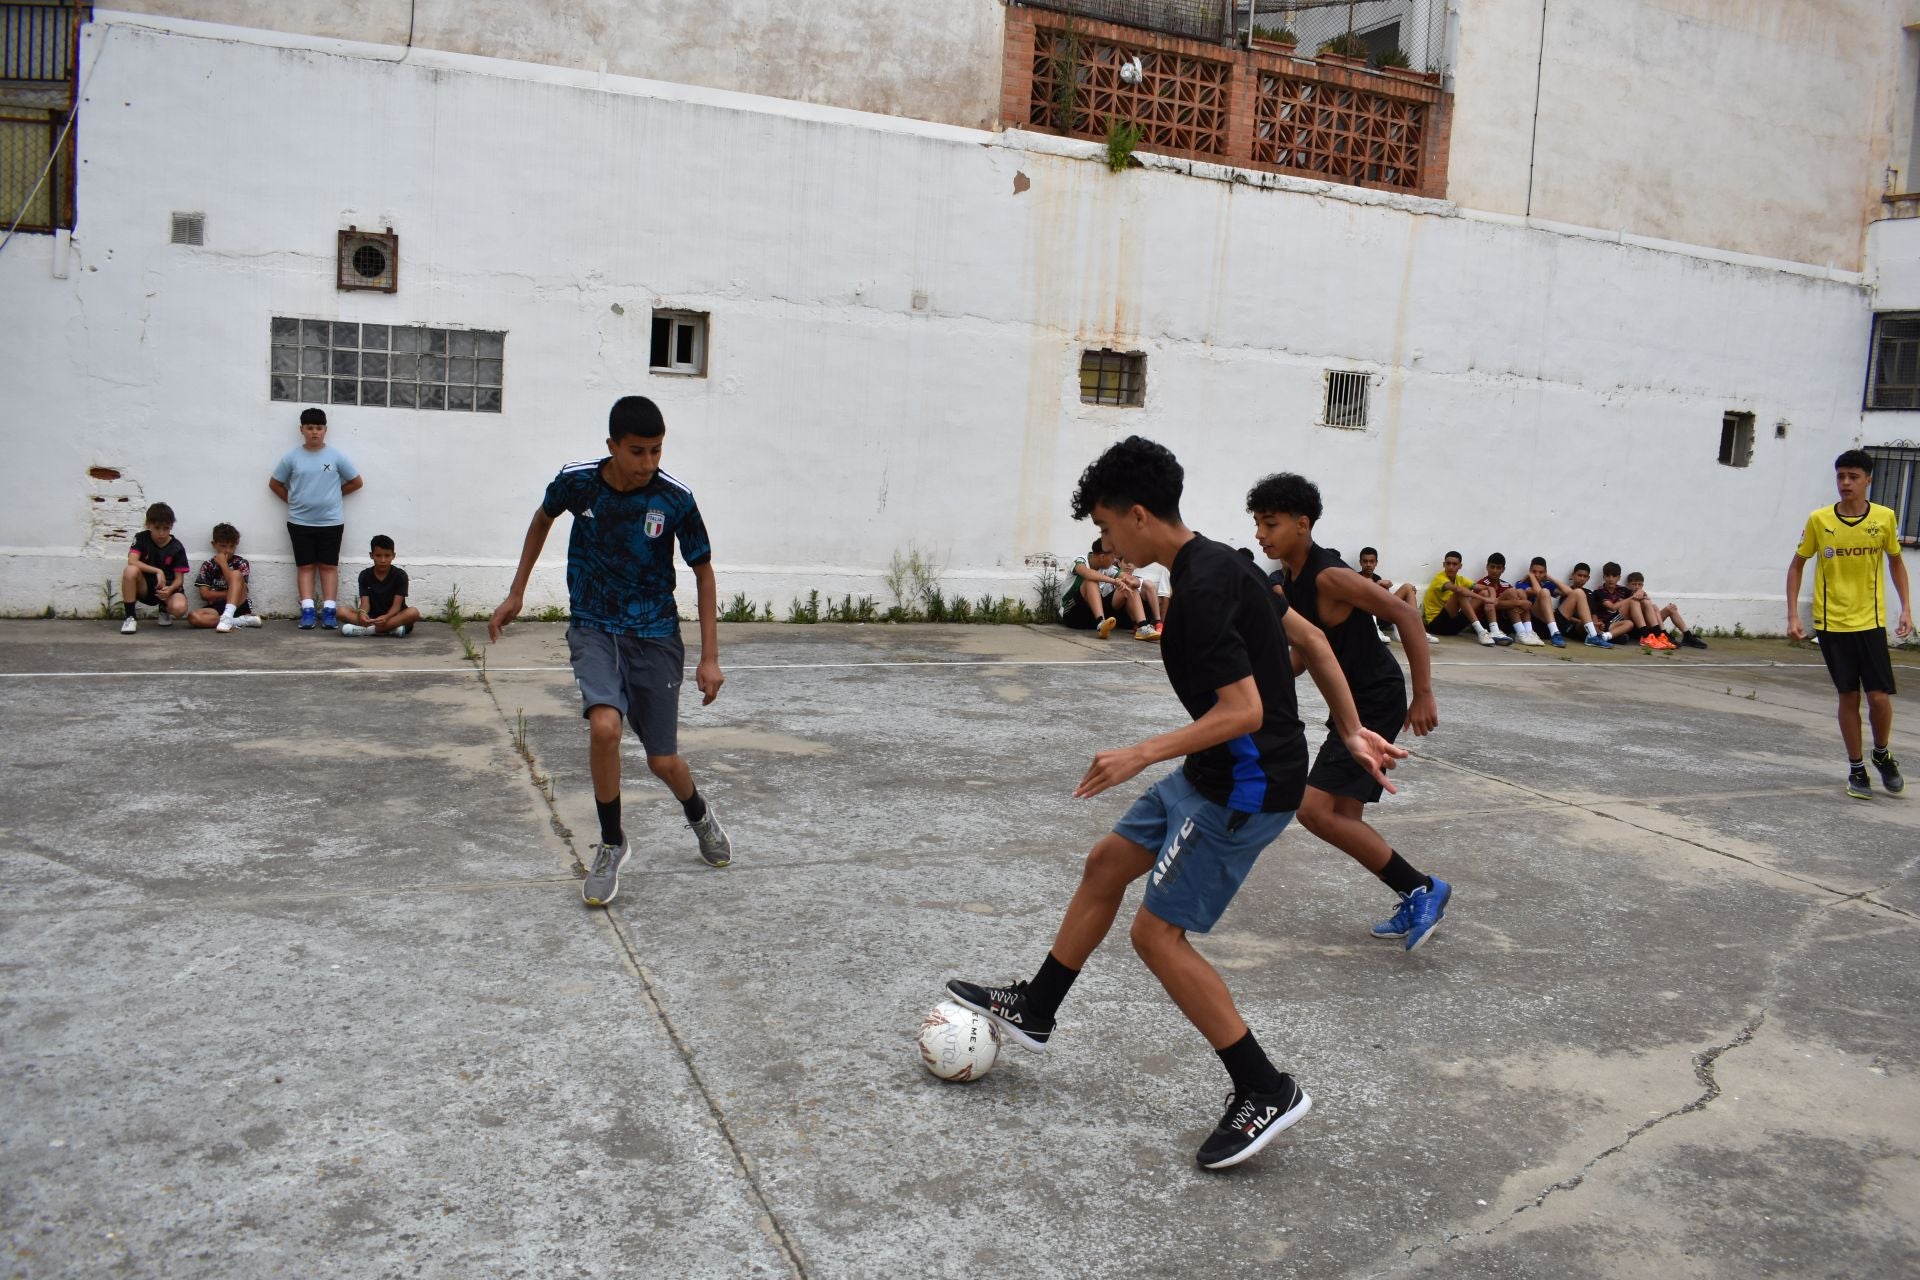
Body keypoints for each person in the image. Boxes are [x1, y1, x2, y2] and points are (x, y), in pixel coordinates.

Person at [945, 436, 1405, 1171]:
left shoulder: (1202, 591)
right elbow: (1315, 639)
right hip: (1214, 768)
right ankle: (1038, 1005)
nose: (1104, 542)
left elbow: (1245, 710)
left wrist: (1137, 753)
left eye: (1104, 526)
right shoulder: (1220, 559)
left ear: (1136, 515)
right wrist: (1350, 731)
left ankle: (1264, 1086)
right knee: (1106, 863)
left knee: (1157, 938)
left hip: (1246, 786)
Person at [488, 395, 730, 904]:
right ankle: (612, 842)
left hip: (655, 635)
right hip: (595, 626)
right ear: (612, 446)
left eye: (657, 451)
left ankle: (698, 814)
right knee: (605, 726)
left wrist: (709, 657)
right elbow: (541, 519)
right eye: (637, 451)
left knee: (663, 762)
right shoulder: (578, 481)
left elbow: (703, 573)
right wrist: (517, 591)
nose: (648, 463)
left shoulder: (674, 499)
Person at [1249, 474, 1449, 950]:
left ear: (1302, 524)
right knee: (1341, 814)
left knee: (1314, 810)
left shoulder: (1329, 575)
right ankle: (1415, 890)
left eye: (1270, 523)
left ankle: (1423, 888)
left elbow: (1405, 615)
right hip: (1352, 704)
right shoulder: (1290, 581)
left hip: (1375, 700)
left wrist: (1423, 692)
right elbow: (1307, 652)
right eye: (1256, 523)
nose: (1260, 534)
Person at [1786, 449, 1913, 799]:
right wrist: (1794, 614)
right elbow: (1796, 565)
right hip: (1831, 624)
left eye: (1853, 477)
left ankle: (1882, 752)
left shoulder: (1884, 518)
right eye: (1840, 476)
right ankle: (1857, 768)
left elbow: (1896, 563)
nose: (1845, 483)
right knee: (1848, 696)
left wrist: (1906, 609)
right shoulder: (1819, 520)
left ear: (1868, 479)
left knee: (1879, 698)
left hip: (1870, 622)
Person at [269, 407, 362, 630]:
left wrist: (333, 496)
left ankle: (329, 611)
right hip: (299, 522)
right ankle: (308, 611)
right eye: (310, 428)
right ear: (301, 429)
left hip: (331, 522)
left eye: (319, 428)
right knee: (305, 566)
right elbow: (274, 484)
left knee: (329, 566)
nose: (314, 433)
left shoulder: (336, 456)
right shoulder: (292, 457)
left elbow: (356, 482)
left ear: (325, 430)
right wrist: (293, 502)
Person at [1060, 538, 1155, 640]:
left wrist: (1131, 582)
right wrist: (1114, 581)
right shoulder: (1080, 560)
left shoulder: (1108, 568)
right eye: (1113, 557)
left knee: (1128, 586)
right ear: (1102, 557)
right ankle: (1101, 623)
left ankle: (1143, 627)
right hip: (1074, 615)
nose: (1114, 560)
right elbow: (1088, 573)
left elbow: (1132, 579)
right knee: (1090, 581)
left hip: (1095, 616)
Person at [119, 503, 190, 634]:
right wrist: (158, 571)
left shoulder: (177, 547)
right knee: (130, 570)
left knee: (179, 608)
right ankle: (130, 617)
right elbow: (132, 560)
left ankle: (164, 610)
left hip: (166, 590)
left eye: (166, 528)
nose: (161, 533)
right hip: (145, 587)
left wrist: (170, 590)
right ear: (148, 524)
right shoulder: (141, 538)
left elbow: (179, 580)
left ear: (171, 526)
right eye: (157, 528)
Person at [339, 535, 421, 637]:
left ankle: (369, 631)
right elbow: (365, 603)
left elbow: (396, 607)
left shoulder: (400, 576)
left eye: (387, 555)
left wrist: (386, 617)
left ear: (393, 555)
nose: (383, 560)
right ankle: (390, 630)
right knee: (341, 612)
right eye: (378, 555)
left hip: (392, 617)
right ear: (371, 555)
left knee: (413, 613)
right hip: (372, 618)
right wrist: (363, 614)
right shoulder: (364, 575)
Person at [187, 523, 262, 632]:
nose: (228, 550)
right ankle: (237, 621)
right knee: (193, 617)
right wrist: (232, 592)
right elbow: (204, 594)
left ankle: (227, 617)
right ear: (214, 544)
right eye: (223, 546)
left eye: (232, 546)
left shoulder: (241, 563)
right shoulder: (208, 565)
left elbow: (243, 592)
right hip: (218, 607)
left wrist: (224, 565)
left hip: (239, 605)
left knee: (236, 574)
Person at [1422, 551, 1499, 646]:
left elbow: (1489, 588)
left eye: (1454, 564)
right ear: (1444, 564)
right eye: (1448, 563)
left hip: (1452, 627)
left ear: (1460, 566)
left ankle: (1495, 630)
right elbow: (1459, 590)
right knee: (1459, 593)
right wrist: (1486, 600)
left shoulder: (1460, 579)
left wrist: (1492, 598)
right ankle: (1481, 632)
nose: (1451, 567)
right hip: (1435, 625)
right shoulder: (1439, 578)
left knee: (1484, 592)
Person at [1623, 572, 1707, 649]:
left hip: (1651, 625)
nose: (1637, 587)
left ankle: (1687, 636)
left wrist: (1642, 593)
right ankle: (1662, 633)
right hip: (1640, 629)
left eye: (1639, 584)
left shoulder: (1642, 593)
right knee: (1654, 607)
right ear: (1628, 585)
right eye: (1634, 584)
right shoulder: (1627, 595)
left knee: (1670, 608)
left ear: (1642, 585)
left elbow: (1647, 606)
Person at [1355, 546, 1421, 644]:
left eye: (1372, 561)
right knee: (1369, 585)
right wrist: (1376, 586)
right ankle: (1375, 632)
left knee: (1408, 587)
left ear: (1376, 563)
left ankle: (1416, 630)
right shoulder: (1355, 577)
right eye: (1365, 561)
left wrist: (1385, 589)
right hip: (1365, 619)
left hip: (1381, 616)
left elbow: (1384, 602)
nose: (1368, 565)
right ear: (1360, 562)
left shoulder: (1378, 578)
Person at [1552, 563, 1615, 648]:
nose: (1582, 578)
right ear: (1573, 575)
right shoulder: (1567, 591)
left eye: (1585, 576)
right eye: (1579, 575)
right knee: (1585, 625)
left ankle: (1599, 635)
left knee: (1626, 626)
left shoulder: (1589, 593)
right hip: (1572, 626)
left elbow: (1593, 613)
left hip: (1588, 626)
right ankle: (1595, 636)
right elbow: (1566, 616)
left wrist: (1596, 623)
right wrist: (1586, 623)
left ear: (1588, 578)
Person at [1473, 554, 1530, 645]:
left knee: (1519, 592)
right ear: (1487, 567)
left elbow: (1526, 604)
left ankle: (1526, 632)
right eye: (1492, 567)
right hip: (1486, 622)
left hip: (1504, 621)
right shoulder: (1482, 584)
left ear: (1503, 569)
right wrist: (1518, 603)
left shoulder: (1505, 585)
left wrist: (1521, 603)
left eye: (1498, 568)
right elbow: (1492, 604)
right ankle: (1519, 632)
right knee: (1511, 593)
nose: (1495, 571)